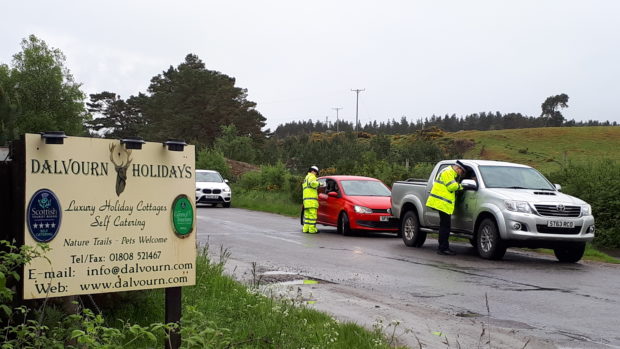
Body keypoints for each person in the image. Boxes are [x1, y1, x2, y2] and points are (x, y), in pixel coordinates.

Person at [425, 160, 467, 255]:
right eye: (462, 171)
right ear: (457, 168)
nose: (461, 174)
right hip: (442, 203)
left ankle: (443, 247)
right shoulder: (448, 172)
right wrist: (461, 186)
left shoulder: (448, 171)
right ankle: (443, 248)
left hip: (442, 203)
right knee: (445, 227)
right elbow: (451, 186)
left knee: (444, 226)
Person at [302, 166, 320, 234]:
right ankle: (312, 230)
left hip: (306, 201)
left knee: (307, 216)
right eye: (316, 172)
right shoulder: (312, 177)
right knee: (312, 216)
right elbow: (312, 183)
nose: (316, 174)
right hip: (311, 201)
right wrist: (320, 184)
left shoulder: (306, 178)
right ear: (313, 171)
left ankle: (305, 229)